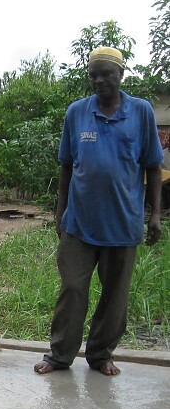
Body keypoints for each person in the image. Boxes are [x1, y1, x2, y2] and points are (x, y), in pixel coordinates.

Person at [34, 46, 163, 377]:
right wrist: (60, 214)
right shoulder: (77, 112)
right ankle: (60, 355)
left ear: (121, 75)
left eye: (106, 74)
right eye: (93, 75)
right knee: (73, 289)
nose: (99, 81)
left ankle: (101, 354)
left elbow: (152, 166)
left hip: (123, 223)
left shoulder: (141, 112)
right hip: (79, 223)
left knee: (115, 296)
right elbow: (66, 167)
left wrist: (155, 215)